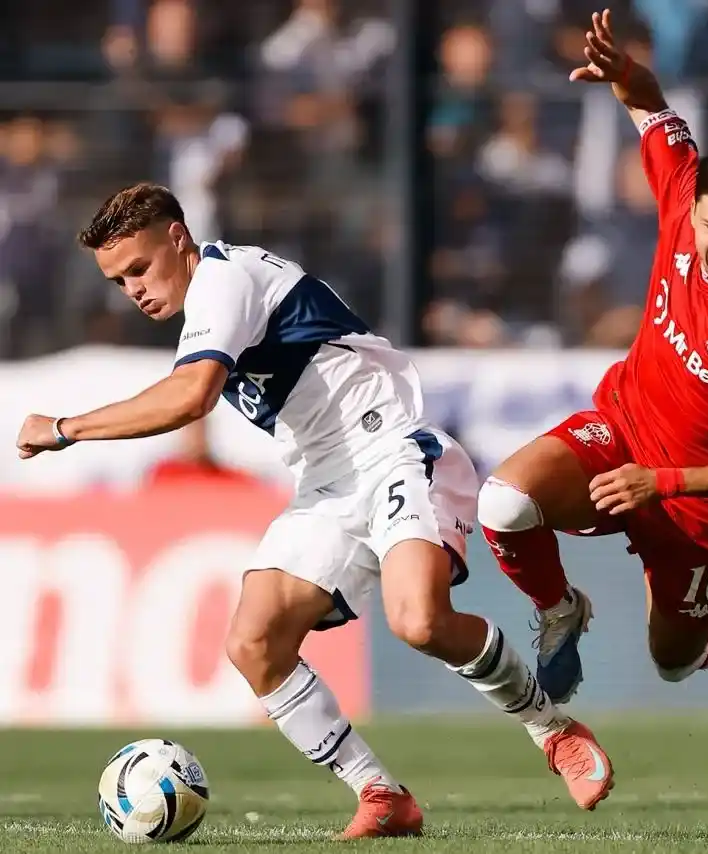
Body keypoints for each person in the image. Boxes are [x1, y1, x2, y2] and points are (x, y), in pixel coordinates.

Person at [15, 183, 614, 836]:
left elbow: (190, 397)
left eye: (139, 268)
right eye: (118, 280)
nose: (133, 289)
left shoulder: (224, 280)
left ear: (178, 238)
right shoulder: (210, 298)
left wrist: (66, 429)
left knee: (419, 621)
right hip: (327, 485)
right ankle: (380, 794)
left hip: (393, 450)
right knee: (255, 644)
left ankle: (552, 730)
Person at [476, 7, 708, 803]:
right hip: (624, 431)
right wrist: (626, 74)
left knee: (673, 663)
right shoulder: (680, 193)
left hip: (705, 515)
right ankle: (560, 609)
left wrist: (660, 485)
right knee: (504, 503)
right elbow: (652, 111)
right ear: (692, 209)